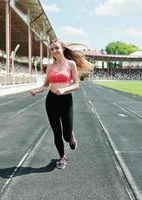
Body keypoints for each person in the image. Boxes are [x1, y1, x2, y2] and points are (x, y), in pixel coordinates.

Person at [30, 39, 93, 169]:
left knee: (66, 134)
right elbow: (46, 85)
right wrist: (36, 90)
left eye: (56, 48)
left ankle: (70, 137)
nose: (54, 51)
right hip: (51, 100)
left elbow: (76, 85)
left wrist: (64, 90)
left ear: (63, 48)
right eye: (52, 49)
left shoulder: (71, 64)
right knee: (56, 132)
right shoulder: (50, 67)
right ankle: (62, 157)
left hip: (66, 101)